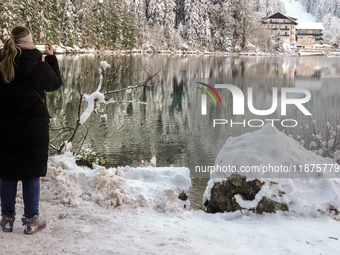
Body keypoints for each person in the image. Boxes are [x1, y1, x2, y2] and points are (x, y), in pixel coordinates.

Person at [0, 26, 62, 234]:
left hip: (5, 128)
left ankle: (7, 219)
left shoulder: (2, 63)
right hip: (34, 130)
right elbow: (55, 85)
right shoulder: (39, 66)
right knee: (31, 174)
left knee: (7, 174)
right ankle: (31, 221)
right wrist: (51, 59)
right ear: (30, 41)